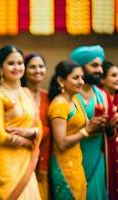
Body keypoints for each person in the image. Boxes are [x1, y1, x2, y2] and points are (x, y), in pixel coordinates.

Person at [0, 45, 42, 200]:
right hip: (6, 165)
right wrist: (27, 142)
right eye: (11, 63)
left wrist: (31, 132)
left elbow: (38, 126)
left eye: (20, 63)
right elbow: (1, 136)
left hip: (26, 161)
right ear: (0, 68)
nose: (17, 67)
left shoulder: (26, 92)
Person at [48, 60, 102, 199]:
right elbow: (61, 143)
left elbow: (87, 126)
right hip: (64, 166)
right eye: (75, 78)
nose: (81, 82)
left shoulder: (75, 100)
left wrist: (101, 123)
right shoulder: (59, 105)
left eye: (82, 77)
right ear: (61, 80)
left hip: (77, 163)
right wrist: (87, 131)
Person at [71, 45, 118, 200]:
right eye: (94, 65)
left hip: (98, 160)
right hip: (73, 159)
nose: (99, 70)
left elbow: (111, 135)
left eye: (100, 66)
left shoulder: (103, 96)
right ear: (81, 67)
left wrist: (111, 129)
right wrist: (88, 128)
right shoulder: (69, 96)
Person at [21, 53, 51, 200]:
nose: (38, 70)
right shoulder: (16, 95)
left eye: (41, 66)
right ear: (23, 70)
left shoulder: (47, 96)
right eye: (32, 66)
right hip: (21, 155)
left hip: (44, 157)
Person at [100, 60, 118, 200]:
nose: (117, 78)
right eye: (114, 75)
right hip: (104, 150)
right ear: (102, 79)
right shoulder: (98, 100)